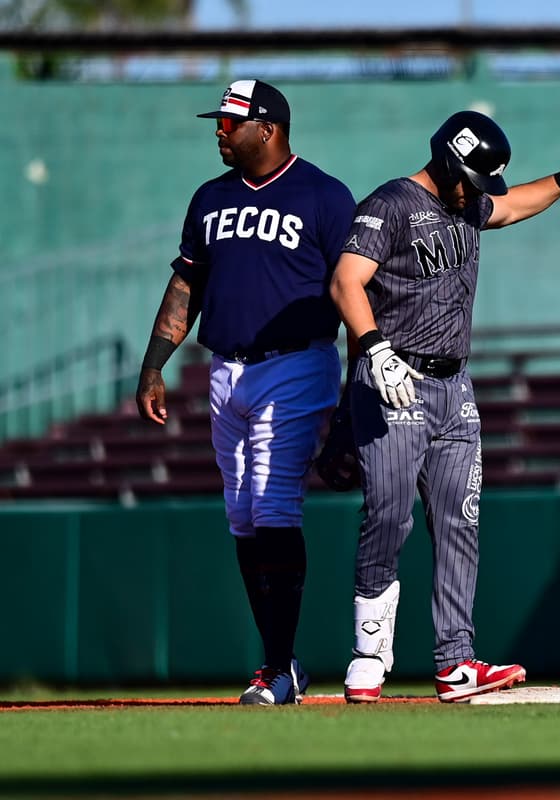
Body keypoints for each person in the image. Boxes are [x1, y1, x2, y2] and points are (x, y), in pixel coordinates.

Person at [330, 109, 560, 703]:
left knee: (460, 520)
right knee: (388, 517)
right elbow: (344, 282)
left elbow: (514, 204)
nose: (478, 192)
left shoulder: (469, 203)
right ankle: (369, 653)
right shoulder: (390, 204)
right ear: (447, 160)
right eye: (472, 177)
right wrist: (374, 350)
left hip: (454, 387)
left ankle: (455, 660)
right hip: (393, 376)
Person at [135, 79, 356, 705]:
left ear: (268, 126)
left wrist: (356, 391)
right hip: (224, 369)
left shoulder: (324, 195)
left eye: (229, 122)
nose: (219, 132)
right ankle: (278, 661)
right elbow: (187, 286)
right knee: (242, 516)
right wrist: (155, 365)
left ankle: (279, 667)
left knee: (273, 504)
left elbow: (354, 286)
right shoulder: (210, 198)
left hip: (296, 365)